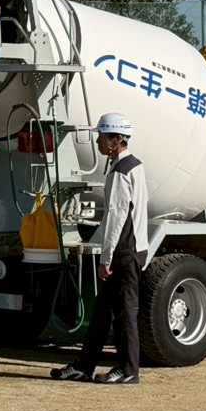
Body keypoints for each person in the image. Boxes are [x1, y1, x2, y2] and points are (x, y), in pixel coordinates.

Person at [52, 112, 148, 385]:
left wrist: (105, 259)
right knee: (103, 313)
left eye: (102, 136)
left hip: (123, 251)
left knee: (125, 313)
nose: (97, 142)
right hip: (133, 248)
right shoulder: (135, 166)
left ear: (117, 139)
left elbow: (117, 218)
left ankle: (129, 370)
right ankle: (85, 366)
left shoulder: (119, 172)